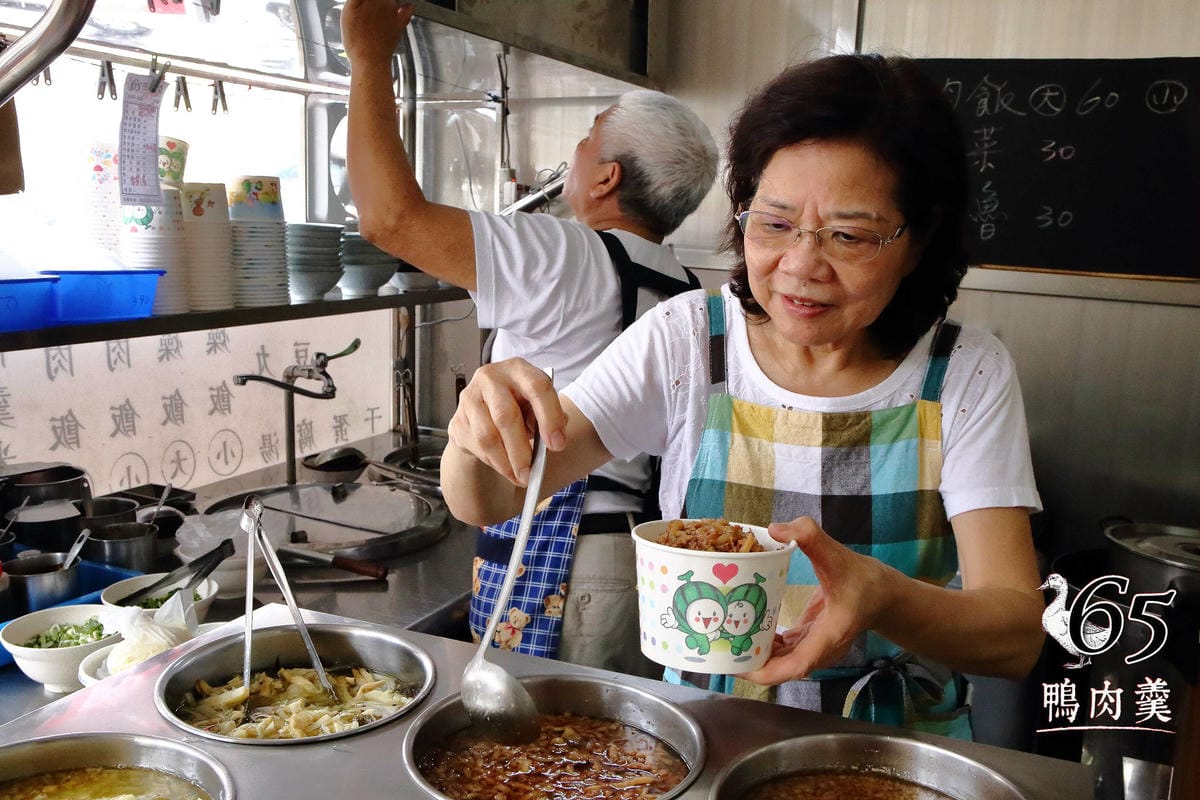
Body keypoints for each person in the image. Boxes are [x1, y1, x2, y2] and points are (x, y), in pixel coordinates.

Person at [440, 53, 1046, 739]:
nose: (801, 266)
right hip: (707, 739)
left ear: (918, 241)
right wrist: (473, 430)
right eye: (774, 223)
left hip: (895, 752)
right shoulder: (687, 342)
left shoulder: (964, 371)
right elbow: (491, 498)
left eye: (849, 235)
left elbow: (1016, 637)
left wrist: (884, 599)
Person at [341, 1, 719, 677]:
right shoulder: (686, 287)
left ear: (607, 177)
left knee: (538, 738)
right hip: (641, 556)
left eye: (587, 138)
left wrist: (369, 59)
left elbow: (389, 219)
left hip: (563, 558)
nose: (573, 152)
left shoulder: (564, 252)